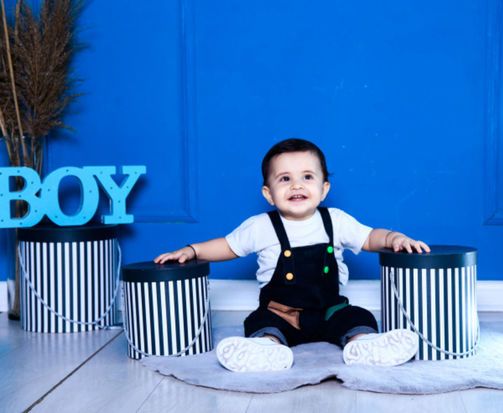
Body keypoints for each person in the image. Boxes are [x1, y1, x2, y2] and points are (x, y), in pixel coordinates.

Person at [155, 138, 430, 372]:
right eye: (285, 179)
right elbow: (227, 246)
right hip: (281, 313)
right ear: (269, 194)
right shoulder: (260, 226)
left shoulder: (336, 220)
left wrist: (394, 238)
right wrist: (193, 250)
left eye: (307, 177)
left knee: (357, 316)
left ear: (324, 189)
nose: (296, 185)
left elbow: (370, 237)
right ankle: (266, 349)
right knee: (260, 322)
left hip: (329, 311)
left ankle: (364, 345)